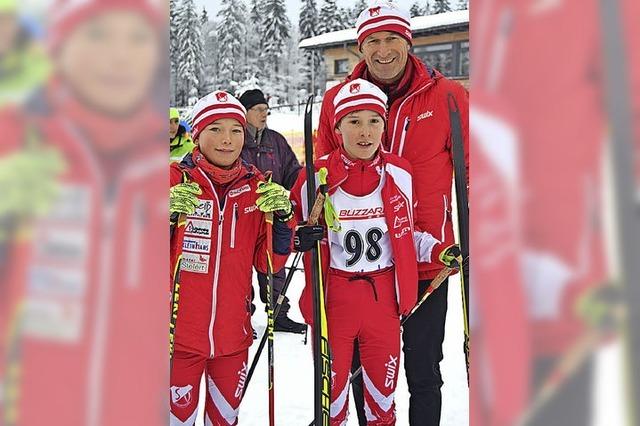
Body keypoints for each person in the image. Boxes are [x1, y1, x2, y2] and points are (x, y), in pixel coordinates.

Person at [0, 0, 167, 424]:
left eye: (137, 38)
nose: (119, 55)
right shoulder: (18, 144)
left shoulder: (162, 170)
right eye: (97, 34)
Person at [314, 2, 469, 425]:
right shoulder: (337, 101)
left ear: (408, 42)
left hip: (428, 261)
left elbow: (477, 172)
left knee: (423, 372)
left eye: (392, 39)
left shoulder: (449, 97)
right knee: (366, 375)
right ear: (361, 47)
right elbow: (324, 176)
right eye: (372, 42)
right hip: (366, 269)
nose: (383, 51)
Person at [291, 79, 461, 425]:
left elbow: (405, 233)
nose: (365, 132)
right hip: (334, 300)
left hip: (383, 301)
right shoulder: (316, 176)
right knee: (331, 405)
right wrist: (299, 236)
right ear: (337, 127)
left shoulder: (399, 172)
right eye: (354, 121)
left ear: (385, 124)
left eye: (374, 121)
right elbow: (291, 236)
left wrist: (438, 251)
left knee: (383, 405)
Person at [169, 90, 294, 425]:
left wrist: (282, 220)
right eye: (216, 129)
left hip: (232, 340)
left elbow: (270, 264)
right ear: (197, 134)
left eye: (235, 130)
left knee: (225, 420)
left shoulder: (257, 187)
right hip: (175, 338)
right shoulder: (171, 181)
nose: (227, 140)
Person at [238, 88, 306, 334]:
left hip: (272, 217)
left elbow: (292, 172)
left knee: (274, 267)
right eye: (257, 110)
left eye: (266, 110)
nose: (263, 114)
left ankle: (278, 314)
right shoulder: (235, 139)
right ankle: (241, 318)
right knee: (240, 271)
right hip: (243, 217)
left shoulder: (275, 141)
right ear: (244, 112)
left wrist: (307, 185)